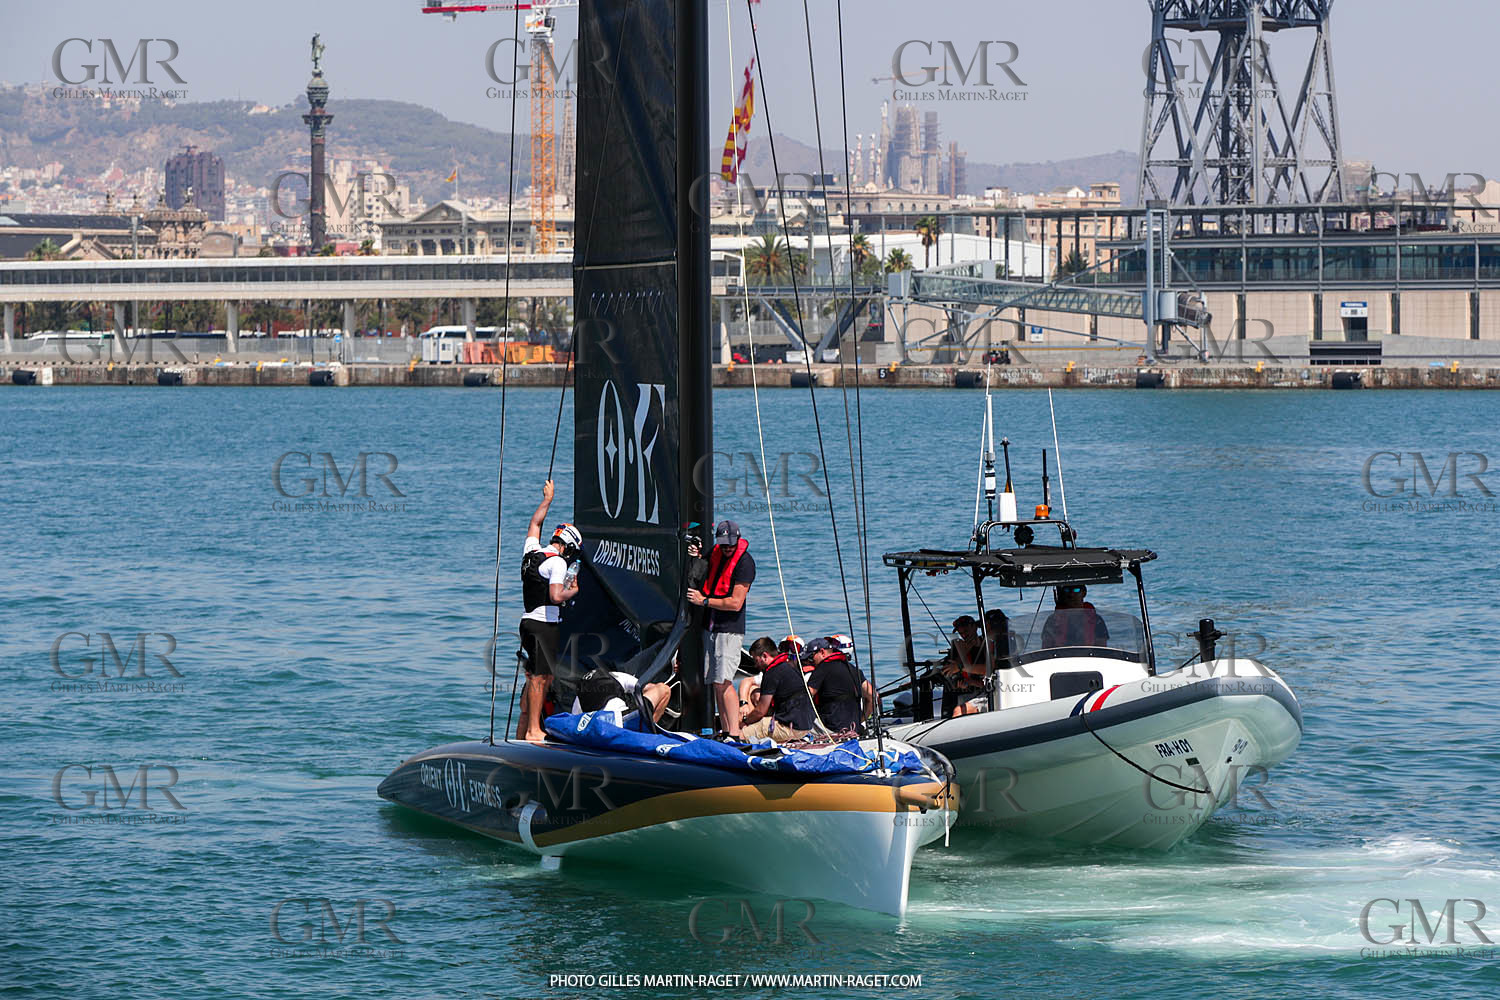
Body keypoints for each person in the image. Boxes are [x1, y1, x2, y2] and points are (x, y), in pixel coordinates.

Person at [518, 479, 581, 741]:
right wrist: (573, 590)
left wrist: (547, 500)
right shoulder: (557, 563)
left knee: (541, 676)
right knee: (540, 678)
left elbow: (535, 524)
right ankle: (533, 729)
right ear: (567, 547)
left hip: (527, 622)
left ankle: (527, 727)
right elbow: (556, 596)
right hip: (544, 624)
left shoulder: (532, 552)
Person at [687, 520, 755, 739]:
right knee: (717, 684)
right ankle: (725, 731)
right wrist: (696, 554)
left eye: (731, 544)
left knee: (725, 682)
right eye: (724, 544)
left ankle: (734, 733)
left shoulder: (745, 563)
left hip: (729, 629)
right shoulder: (715, 552)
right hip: (710, 626)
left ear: (737, 540)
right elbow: (702, 566)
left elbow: (735, 603)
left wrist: (704, 601)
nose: (727, 548)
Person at [740, 637, 816, 743]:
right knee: (754, 692)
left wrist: (745, 722)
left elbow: (760, 711)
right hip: (806, 724)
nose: (755, 665)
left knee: (740, 734)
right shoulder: (788, 667)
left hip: (791, 728)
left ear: (764, 656)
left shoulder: (772, 673)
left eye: (756, 660)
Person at [806, 637, 874, 734]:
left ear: (822, 652)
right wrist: (862, 719)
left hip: (830, 730)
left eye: (811, 657)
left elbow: (806, 696)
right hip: (853, 728)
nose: (810, 661)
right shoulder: (853, 669)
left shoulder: (822, 668)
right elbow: (872, 696)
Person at [569, 668, 670, 729]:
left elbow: (574, 725)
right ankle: (648, 732)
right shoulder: (619, 677)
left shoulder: (578, 699)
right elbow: (654, 688)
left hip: (595, 728)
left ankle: (646, 729)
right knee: (664, 689)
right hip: (624, 721)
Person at [939, 615, 985, 717]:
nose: (964, 635)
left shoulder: (986, 646)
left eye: (966, 632)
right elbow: (950, 668)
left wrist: (971, 681)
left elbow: (987, 672)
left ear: (975, 627)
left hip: (981, 689)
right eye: (961, 633)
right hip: (964, 688)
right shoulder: (958, 648)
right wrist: (965, 650)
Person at [1041, 585, 1109, 649]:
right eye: (1067, 590)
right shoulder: (1053, 621)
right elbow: (1046, 649)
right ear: (1063, 594)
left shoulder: (1096, 620)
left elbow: (1101, 649)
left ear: (1084, 593)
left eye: (1076, 590)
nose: (1071, 594)